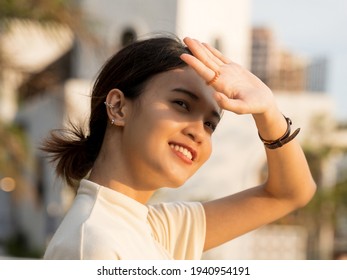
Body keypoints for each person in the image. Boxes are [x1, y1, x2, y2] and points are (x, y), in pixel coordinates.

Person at [42, 35, 316, 260]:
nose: (198, 131)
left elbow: (290, 194)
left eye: (210, 124)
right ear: (118, 106)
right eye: (182, 104)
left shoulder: (157, 228)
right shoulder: (93, 245)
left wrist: (268, 111)